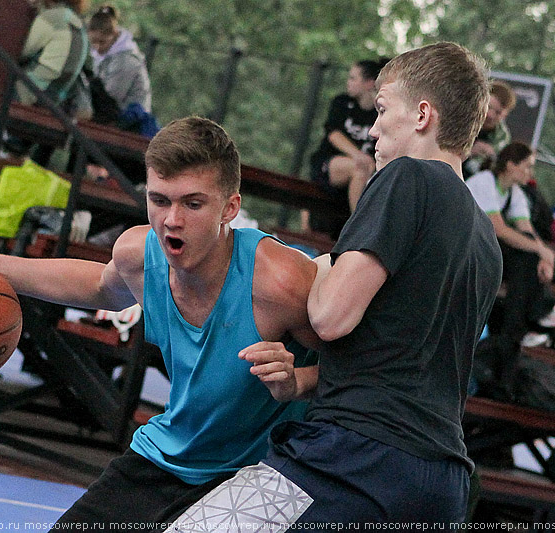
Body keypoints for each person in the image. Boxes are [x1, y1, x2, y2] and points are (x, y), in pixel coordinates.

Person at [0, 117, 321, 527]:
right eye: (159, 200)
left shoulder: (279, 283)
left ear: (230, 208)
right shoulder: (139, 253)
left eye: (193, 203)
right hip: (172, 453)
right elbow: (98, 286)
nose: (172, 219)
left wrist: (298, 382)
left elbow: (363, 371)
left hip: (267, 469)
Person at [166, 41, 502, 528]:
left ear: (423, 114)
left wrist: (308, 262)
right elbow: (406, 363)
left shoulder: (405, 176)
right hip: (441, 481)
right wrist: (300, 381)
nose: (373, 127)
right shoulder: (484, 239)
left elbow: (330, 316)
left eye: (383, 109)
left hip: (354, 459)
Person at [466, 142, 555, 348]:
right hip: (466, 248)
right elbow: (499, 229)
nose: (531, 173)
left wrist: (545, 257)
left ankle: (520, 328)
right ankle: (541, 313)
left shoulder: (516, 193)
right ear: (511, 165)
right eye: (528, 166)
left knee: (528, 259)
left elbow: (528, 229)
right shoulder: (484, 181)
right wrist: (539, 250)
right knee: (526, 254)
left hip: (485, 252)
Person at [306, 59, 383, 238]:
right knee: (360, 167)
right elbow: (333, 134)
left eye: (353, 78)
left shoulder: (378, 112)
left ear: (369, 83)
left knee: (367, 171)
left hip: (365, 173)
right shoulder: (341, 103)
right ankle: (359, 226)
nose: (348, 82)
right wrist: (358, 155)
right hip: (330, 165)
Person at [87, 4, 156, 135]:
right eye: (93, 42)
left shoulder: (126, 60)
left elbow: (111, 98)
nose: (97, 47)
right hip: (115, 116)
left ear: (115, 35)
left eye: (102, 42)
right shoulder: (104, 55)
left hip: (130, 121)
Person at [16, 0, 90, 110]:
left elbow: (20, 51)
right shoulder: (77, 23)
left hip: (29, 92)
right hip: (54, 99)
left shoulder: (52, 17)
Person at [462, 80, 516, 178]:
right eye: (488, 107)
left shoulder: (502, 138)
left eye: (498, 112)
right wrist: (469, 152)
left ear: (505, 115)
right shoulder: (462, 119)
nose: (490, 115)